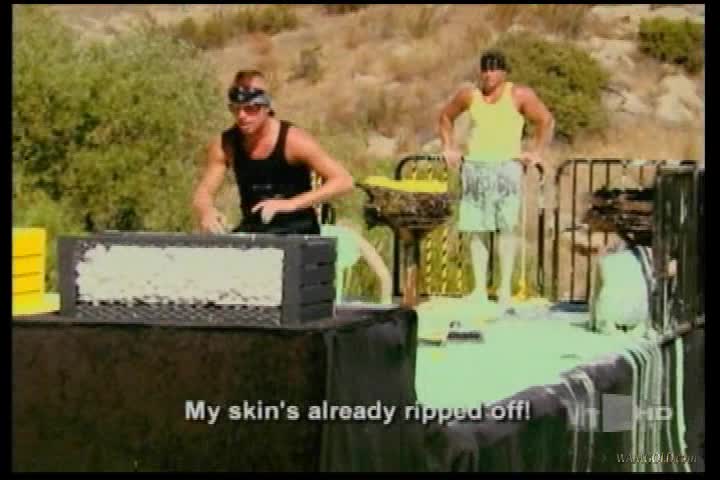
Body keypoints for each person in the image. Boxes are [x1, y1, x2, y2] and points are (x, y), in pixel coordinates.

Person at [438, 49, 554, 306]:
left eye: (494, 69)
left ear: (504, 72)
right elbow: (446, 116)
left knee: (506, 227)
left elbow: (544, 120)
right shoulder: (470, 95)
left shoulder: (519, 95)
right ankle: (479, 289)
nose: (489, 74)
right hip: (475, 167)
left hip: (506, 167)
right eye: (485, 69)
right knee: (476, 229)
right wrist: (448, 147)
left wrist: (536, 152)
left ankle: (504, 289)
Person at [192, 69, 354, 235]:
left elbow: (344, 181)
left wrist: (291, 204)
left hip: (299, 234)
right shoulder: (226, 144)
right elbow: (203, 193)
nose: (242, 116)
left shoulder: (294, 141)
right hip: (255, 234)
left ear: (266, 107)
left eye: (250, 108)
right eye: (235, 109)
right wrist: (206, 211)